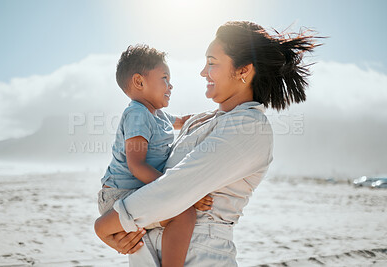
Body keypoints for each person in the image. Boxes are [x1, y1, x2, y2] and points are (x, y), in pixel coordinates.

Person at [95, 21, 319, 266]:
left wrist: (105, 226)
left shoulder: (248, 126)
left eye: (212, 63)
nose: (203, 72)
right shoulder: (203, 120)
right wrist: (120, 230)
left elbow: (175, 187)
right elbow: (158, 177)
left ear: (244, 70)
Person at [97, 44, 213, 267]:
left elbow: (184, 121)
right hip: (118, 196)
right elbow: (137, 166)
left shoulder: (158, 114)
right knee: (184, 212)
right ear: (140, 82)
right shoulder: (137, 114)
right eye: (165, 78)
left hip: (137, 191)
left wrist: (217, 115)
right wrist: (181, 192)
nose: (171, 85)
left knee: (181, 212)